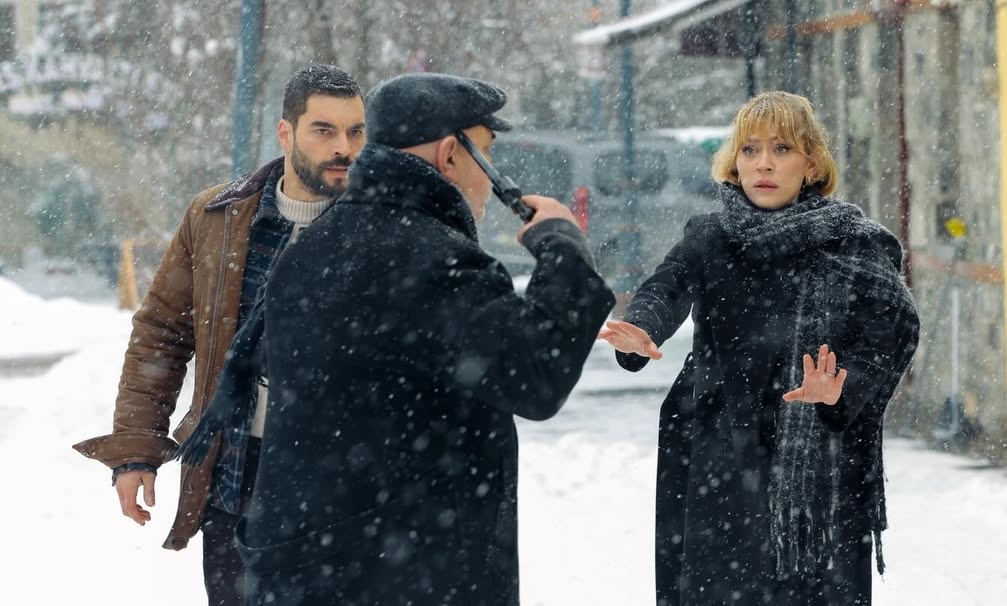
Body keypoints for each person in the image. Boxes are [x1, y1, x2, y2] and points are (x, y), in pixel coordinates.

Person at [178, 72, 616, 606]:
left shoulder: (312, 249)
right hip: (403, 573)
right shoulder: (434, 261)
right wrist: (564, 250)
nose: (492, 177)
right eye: (487, 155)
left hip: (306, 566)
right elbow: (536, 376)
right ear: (450, 154)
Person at [599, 91, 920, 606]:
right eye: (750, 149)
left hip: (820, 466)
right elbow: (666, 287)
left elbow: (889, 333)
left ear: (811, 164)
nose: (763, 163)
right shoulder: (709, 237)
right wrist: (641, 328)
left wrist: (841, 389)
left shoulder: (857, 244)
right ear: (735, 162)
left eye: (781, 148)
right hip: (721, 456)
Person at [72, 64, 366, 606]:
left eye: (355, 131)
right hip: (234, 474)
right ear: (286, 134)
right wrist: (136, 449)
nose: (343, 147)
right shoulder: (220, 218)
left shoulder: (378, 227)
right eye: (324, 130)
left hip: (341, 484)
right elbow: (161, 333)